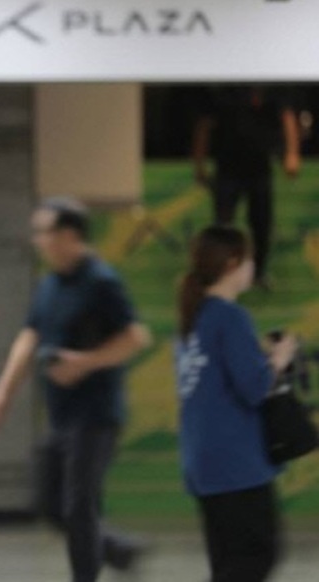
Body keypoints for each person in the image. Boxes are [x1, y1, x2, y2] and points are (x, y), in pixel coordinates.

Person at [0, 198, 151, 582]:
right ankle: (118, 550)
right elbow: (31, 335)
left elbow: (136, 337)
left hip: (95, 416)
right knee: (50, 503)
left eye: (45, 232)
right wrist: (3, 390)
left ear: (70, 235)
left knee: (79, 507)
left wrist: (85, 362)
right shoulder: (49, 283)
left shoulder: (101, 282)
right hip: (60, 416)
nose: (38, 240)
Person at [174, 226, 296, 582]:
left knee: (227, 561)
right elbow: (256, 388)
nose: (253, 266)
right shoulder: (230, 317)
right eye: (249, 258)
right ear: (232, 264)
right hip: (235, 463)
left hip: (203, 462)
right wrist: (279, 358)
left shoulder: (193, 318)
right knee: (258, 555)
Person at [192, 85, 302, 288]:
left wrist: (292, 153)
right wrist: (199, 165)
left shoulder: (271, 88)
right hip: (227, 167)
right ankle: (218, 273)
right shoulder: (223, 89)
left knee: (262, 225)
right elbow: (204, 126)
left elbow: (287, 117)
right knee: (223, 227)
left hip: (259, 167)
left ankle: (259, 273)